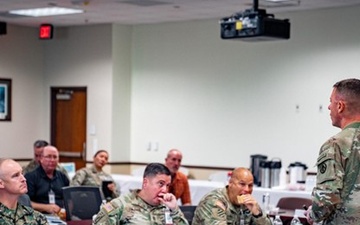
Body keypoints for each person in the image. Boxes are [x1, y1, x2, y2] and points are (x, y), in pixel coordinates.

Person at [305, 78, 360, 225]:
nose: (329, 107)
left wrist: (312, 214)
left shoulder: (335, 145)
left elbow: (326, 199)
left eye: (331, 102)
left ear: (340, 106)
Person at [93, 162, 189, 224]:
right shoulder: (119, 205)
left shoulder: (167, 208)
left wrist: (175, 210)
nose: (165, 190)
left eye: (167, 185)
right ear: (145, 183)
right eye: (161, 183)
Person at [192, 167, 271, 225]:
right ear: (230, 183)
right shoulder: (214, 201)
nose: (247, 189)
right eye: (242, 184)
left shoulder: (249, 205)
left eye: (250, 185)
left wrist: (257, 213)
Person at [0, 158, 48, 224]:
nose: (24, 179)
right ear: (1, 183)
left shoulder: (36, 217)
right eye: (15, 175)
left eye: (22, 173)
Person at [25, 145, 70, 214]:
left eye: (55, 157)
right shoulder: (31, 177)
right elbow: (25, 202)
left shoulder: (62, 176)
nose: (52, 160)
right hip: (39, 215)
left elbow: (69, 199)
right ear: (41, 159)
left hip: (61, 214)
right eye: (48, 157)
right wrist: (46, 207)